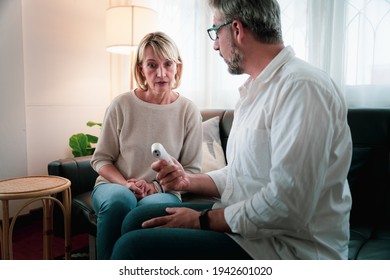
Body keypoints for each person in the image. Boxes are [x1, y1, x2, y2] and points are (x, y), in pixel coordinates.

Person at [111, 0, 352, 260]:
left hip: (285, 248)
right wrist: (186, 181)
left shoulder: (302, 88)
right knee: (138, 218)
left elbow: (287, 204)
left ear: (236, 29)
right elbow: (243, 175)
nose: (214, 44)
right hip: (250, 230)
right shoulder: (254, 91)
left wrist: (202, 220)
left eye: (216, 31)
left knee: (131, 248)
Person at [91, 32, 203, 259]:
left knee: (146, 211)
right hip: (114, 185)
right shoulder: (122, 104)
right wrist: (125, 184)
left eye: (168, 64)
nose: (161, 73)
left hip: (164, 191)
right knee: (119, 202)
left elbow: (191, 171)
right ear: (141, 69)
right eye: (152, 65)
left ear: (177, 67)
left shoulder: (188, 111)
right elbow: (101, 159)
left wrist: (157, 187)